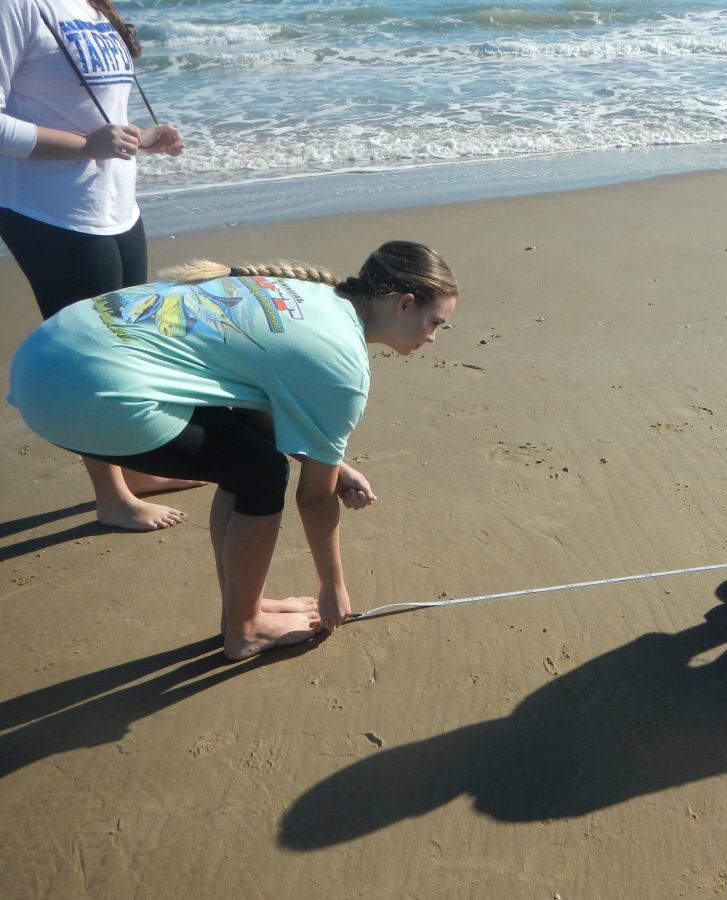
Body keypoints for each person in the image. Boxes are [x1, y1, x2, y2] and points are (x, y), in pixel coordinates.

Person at [7, 241, 459, 659]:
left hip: (50, 352)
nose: (433, 337)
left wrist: (334, 463)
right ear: (403, 303)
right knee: (261, 473)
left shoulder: (308, 292)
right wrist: (332, 588)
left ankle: (244, 604)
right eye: (435, 323)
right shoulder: (343, 363)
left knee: (249, 456)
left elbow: (260, 410)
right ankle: (245, 629)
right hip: (79, 396)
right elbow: (314, 499)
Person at [1, 0, 192, 531]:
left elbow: (92, 109)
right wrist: (86, 145)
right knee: (92, 357)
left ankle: (134, 467)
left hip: (113, 204)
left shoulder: (91, 4)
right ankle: (112, 497)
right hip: (48, 210)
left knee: (130, 341)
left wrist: (142, 138)